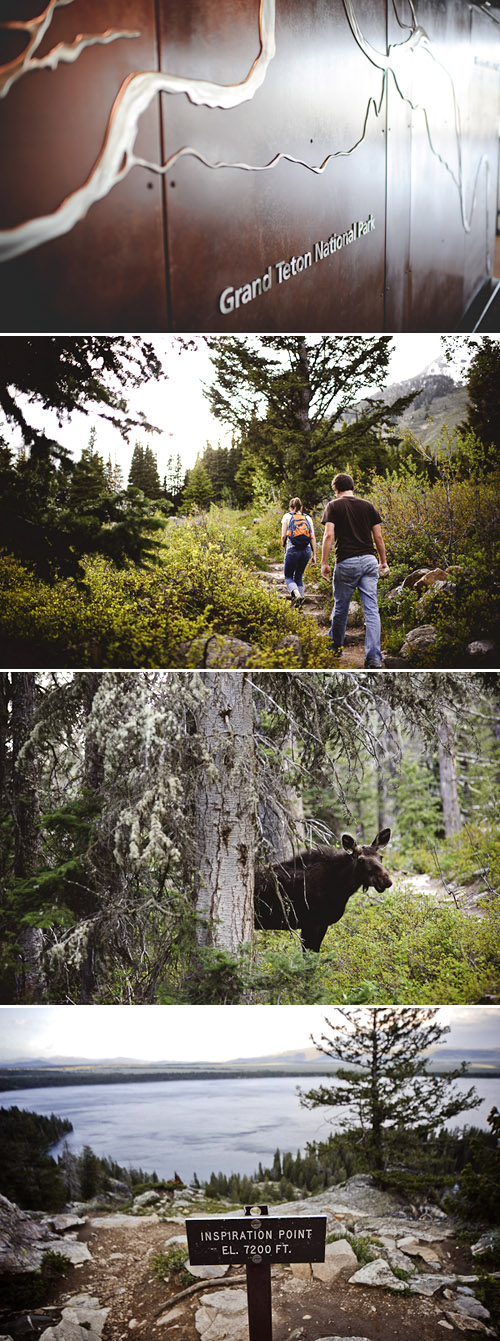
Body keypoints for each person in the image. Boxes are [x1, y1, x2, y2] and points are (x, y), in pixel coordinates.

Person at [320, 472, 390, 667]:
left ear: (336, 489)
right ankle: (374, 657)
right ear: (352, 487)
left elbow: (328, 536)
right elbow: (378, 537)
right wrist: (383, 561)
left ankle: (334, 649)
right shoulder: (368, 505)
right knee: (372, 610)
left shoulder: (333, 505)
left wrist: (324, 563)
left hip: (346, 562)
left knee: (341, 607)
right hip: (369, 561)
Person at [281, 496, 316, 602]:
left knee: (288, 576)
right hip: (306, 550)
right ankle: (301, 600)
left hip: (292, 549)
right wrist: (314, 554)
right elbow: (312, 537)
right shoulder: (308, 518)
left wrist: (284, 546)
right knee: (299, 576)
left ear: (290, 507)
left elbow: (283, 536)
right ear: (301, 507)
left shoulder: (287, 516)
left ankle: (296, 594)